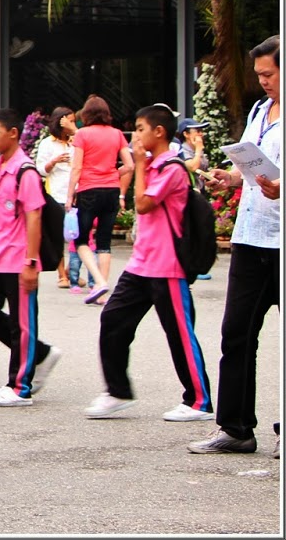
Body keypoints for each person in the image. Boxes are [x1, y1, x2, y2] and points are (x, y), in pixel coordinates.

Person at [84, 103, 213, 423]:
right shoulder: (154, 164)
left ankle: (199, 401)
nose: (136, 135)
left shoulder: (171, 168)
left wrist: (139, 165)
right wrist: (140, 165)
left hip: (168, 266)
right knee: (113, 320)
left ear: (159, 132)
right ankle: (117, 391)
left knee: (180, 334)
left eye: (140, 129)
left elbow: (142, 205)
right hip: (141, 265)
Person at [190, 34, 282, 456]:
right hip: (250, 237)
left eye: (269, 73)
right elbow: (251, 165)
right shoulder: (261, 111)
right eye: (259, 74)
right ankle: (236, 427)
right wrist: (229, 176)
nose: (262, 81)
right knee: (237, 333)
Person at [0, 107, 61, 407]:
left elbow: (34, 218)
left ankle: (20, 387)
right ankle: (41, 354)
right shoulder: (0, 169)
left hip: (18, 260)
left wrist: (31, 262)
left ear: (13, 133)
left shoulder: (25, 171)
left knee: (23, 325)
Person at [67, 93, 132, 305]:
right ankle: (101, 291)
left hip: (88, 190)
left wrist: (70, 195)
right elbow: (130, 165)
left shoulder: (82, 134)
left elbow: (76, 167)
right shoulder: (117, 134)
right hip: (112, 191)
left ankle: (100, 281)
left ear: (85, 114)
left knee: (81, 240)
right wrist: (113, 174)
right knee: (105, 242)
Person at [37, 106, 81, 289]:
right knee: (58, 236)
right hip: (57, 194)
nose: (73, 124)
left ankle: (74, 273)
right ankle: (62, 274)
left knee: (78, 236)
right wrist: (54, 161)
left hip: (77, 193)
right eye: (69, 121)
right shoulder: (48, 143)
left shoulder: (76, 141)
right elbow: (40, 169)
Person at [176, 117, 211, 183]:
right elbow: (193, 167)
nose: (201, 134)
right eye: (198, 131)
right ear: (186, 134)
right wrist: (198, 149)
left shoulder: (197, 149)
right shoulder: (182, 150)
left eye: (201, 131)